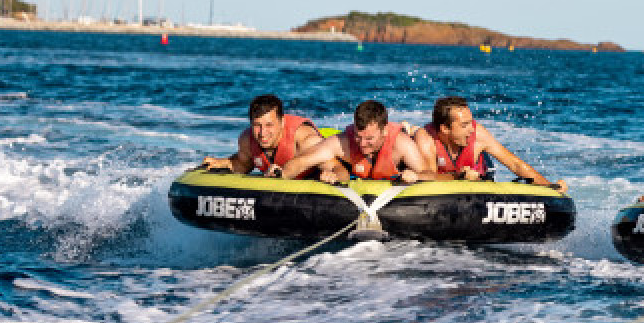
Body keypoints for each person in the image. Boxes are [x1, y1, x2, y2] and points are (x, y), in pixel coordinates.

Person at [412, 96, 568, 193]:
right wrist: (459, 176)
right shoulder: (426, 138)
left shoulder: (478, 134)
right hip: (449, 179)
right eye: (464, 125)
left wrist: (550, 187)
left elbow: (515, 165)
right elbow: (428, 180)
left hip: (479, 172)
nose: (471, 129)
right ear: (445, 129)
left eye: (471, 122)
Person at [280, 99, 430, 184]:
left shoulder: (402, 145)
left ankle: (409, 127)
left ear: (384, 132)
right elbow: (300, 162)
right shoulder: (343, 142)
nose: (362, 144)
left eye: (369, 138)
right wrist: (281, 174)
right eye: (358, 136)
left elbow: (430, 174)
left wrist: (417, 176)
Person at [202, 94, 324, 179]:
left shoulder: (306, 141)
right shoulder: (246, 139)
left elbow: (334, 165)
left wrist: (328, 173)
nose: (262, 132)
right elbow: (243, 164)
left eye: (269, 125)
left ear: (282, 122)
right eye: (257, 125)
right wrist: (224, 163)